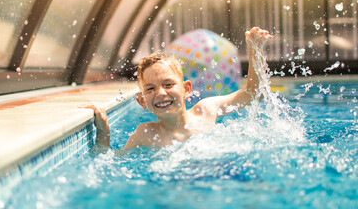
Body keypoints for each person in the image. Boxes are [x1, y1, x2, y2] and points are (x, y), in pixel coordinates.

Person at [82, 27, 272, 153]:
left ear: (186, 89)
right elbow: (112, 160)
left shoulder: (207, 110)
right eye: (150, 88)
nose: (161, 93)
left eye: (168, 84)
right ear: (142, 101)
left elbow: (254, 93)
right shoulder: (145, 134)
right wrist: (103, 131)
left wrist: (255, 50)